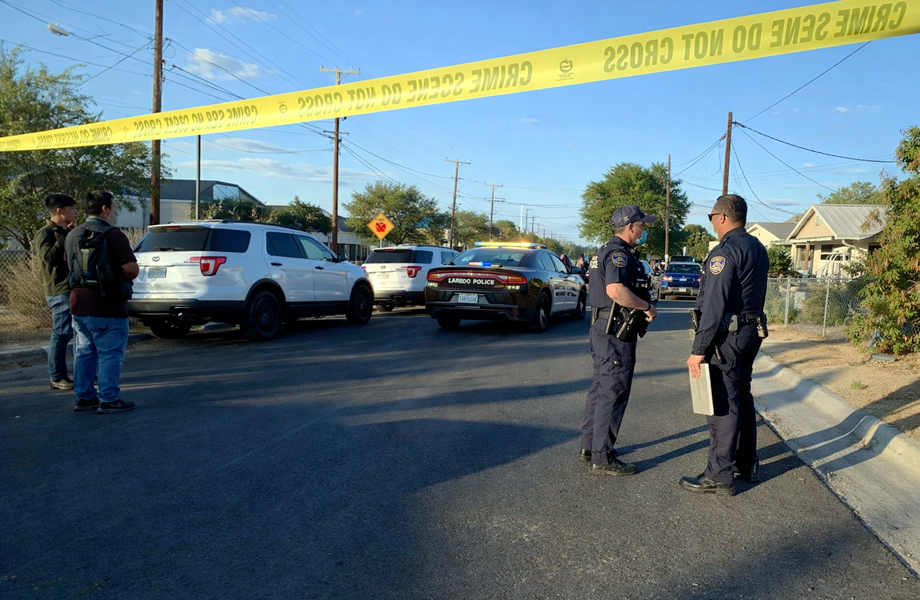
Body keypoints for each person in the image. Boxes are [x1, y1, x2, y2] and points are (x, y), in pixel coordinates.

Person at [682, 195, 769, 496]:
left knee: (723, 402)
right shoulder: (758, 248)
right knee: (742, 396)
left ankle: (719, 475)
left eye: (710, 217)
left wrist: (698, 350)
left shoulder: (724, 252)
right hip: (750, 331)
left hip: (727, 337)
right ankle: (747, 463)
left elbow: (714, 306)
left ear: (721, 217)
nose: (711, 222)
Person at [580, 205, 658, 475]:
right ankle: (603, 457)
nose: (644, 230)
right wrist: (646, 307)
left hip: (602, 328)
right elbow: (615, 290)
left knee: (600, 389)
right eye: (642, 225)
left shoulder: (604, 251)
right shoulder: (618, 254)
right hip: (615, 331)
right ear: (630, 227)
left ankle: (590, 447)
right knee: (613, 392)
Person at [64, 191, 139, 413]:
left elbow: (68, 265)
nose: (116, 211)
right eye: (114, 207)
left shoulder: (72, 234)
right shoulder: (114, 235)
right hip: (109, 305)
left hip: (79, 302)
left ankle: (84, 397)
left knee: (84, 351)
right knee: (110, 353)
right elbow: (131, 269)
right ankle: (108, 398)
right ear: (105, 209)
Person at [34, 194, 79, 390]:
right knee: (61, 333)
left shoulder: (68, 231)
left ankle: (83, 373)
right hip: (59, 290)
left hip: (74, 288)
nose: (76, 213)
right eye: (72, 209)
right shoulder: (45, 233)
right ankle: (57, 376)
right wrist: (63, 236)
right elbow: (50, 258)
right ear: (59, 211)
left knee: (79, 332)